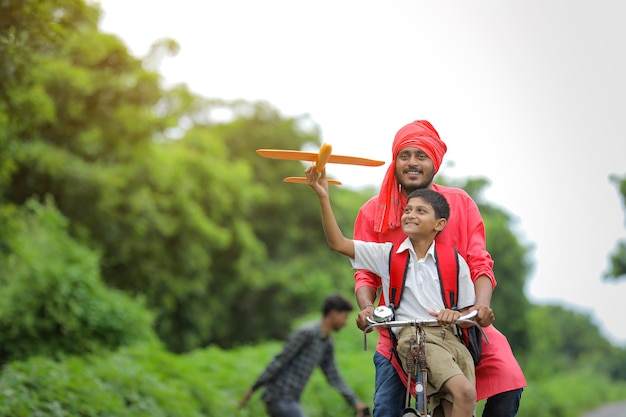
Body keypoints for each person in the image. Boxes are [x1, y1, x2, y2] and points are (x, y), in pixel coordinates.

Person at [353, 120, 527, 417]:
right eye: (404, 156)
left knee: (508, 381)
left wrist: (482, 309)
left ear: (434, 162)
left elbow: (479, 260)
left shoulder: (460, 203)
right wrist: (368, 306)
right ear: (395, 162)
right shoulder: (374, 211)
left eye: (421, 156)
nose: (412, 163)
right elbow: (365, 273)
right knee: (385, 409)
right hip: (399, 329)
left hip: (461, 324)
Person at [305, 169, 477, 417]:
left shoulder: (454, 261)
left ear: (439, 224)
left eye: (421, 211)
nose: (410, 214)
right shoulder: (387, 255)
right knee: (465, 393)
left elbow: (467, 309)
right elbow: (338, 243)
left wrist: (455, 314)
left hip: (451, 339)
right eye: (408, 209)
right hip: (416, 338)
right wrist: (323, 197)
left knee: (455, 409)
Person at [238, 293, 370, 417]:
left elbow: (333, 375)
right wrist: (253, 388)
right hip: (278, 396)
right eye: (345, 317)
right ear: (334, 314)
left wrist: (355, 402)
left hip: (292, 399)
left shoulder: (327, 344)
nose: (345, 323)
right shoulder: (307, 333)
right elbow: (280, 360)